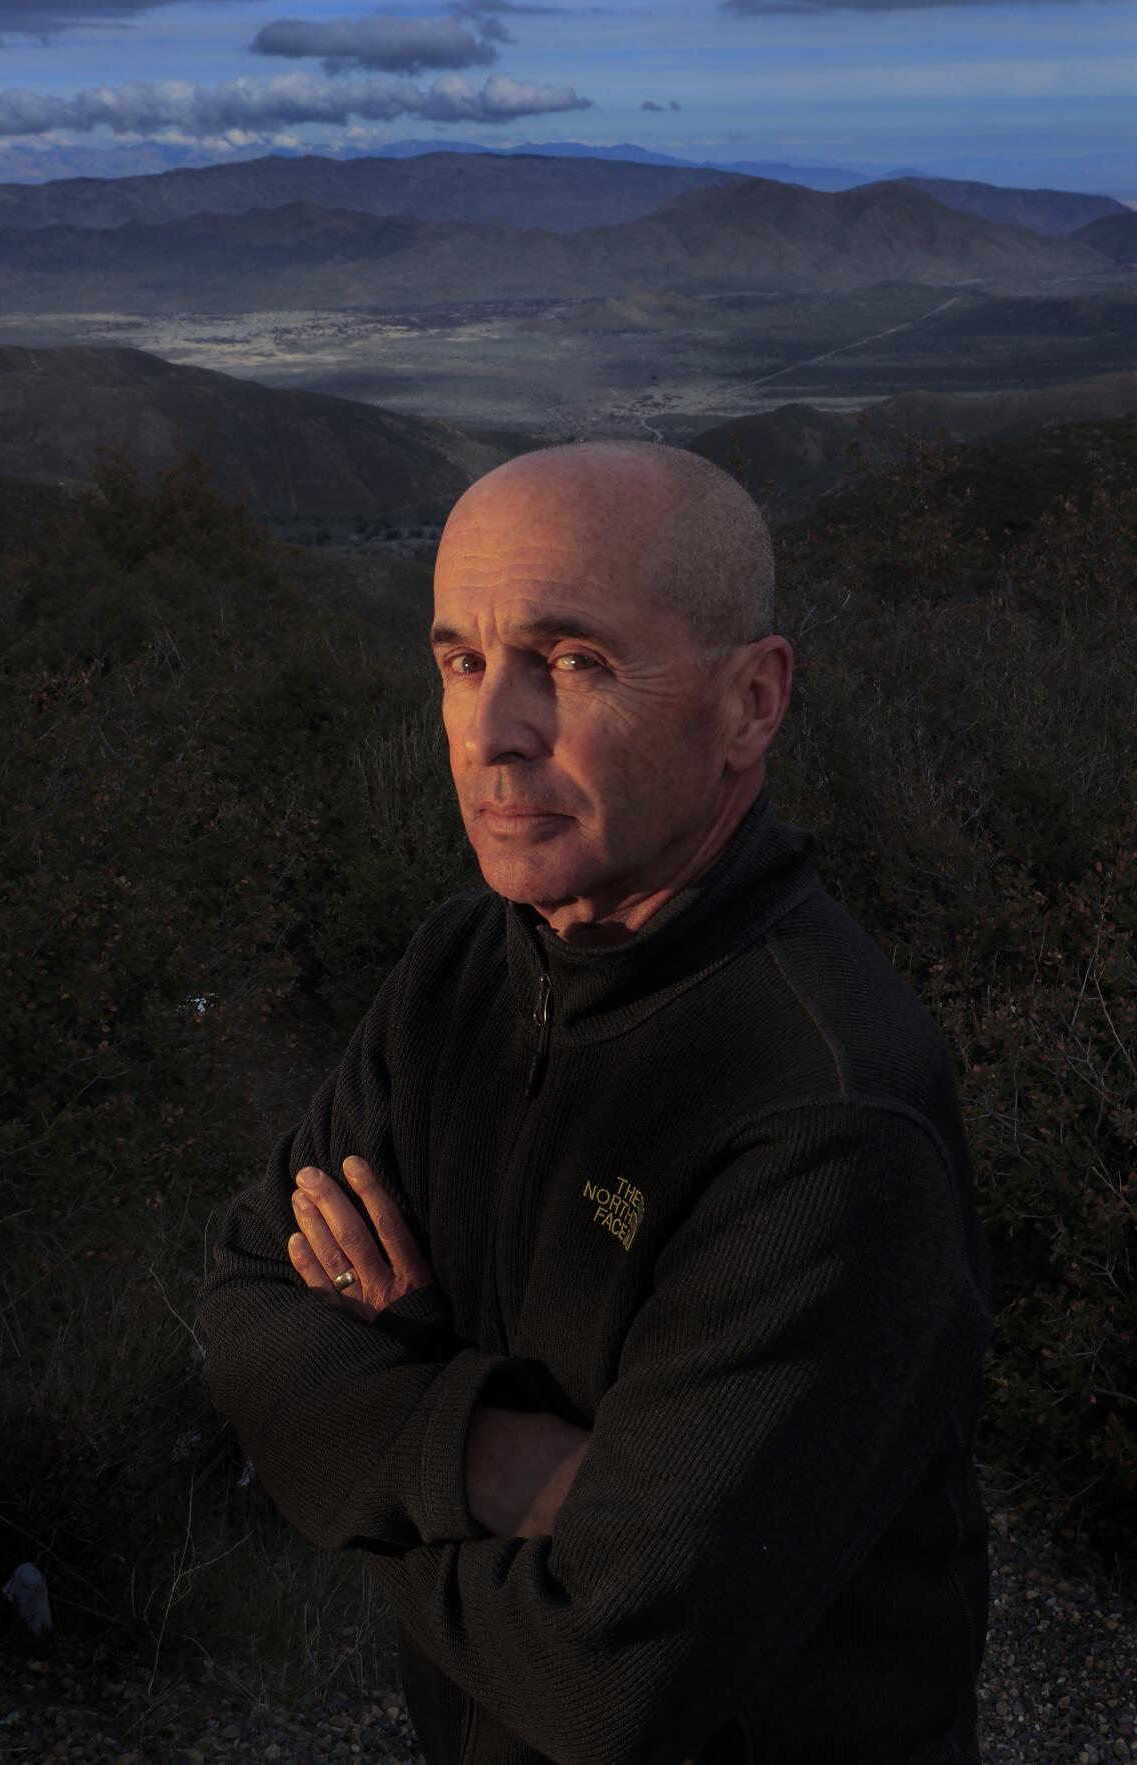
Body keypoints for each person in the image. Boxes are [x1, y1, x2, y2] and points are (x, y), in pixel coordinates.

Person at [197, 439, 995, 1765]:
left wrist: (365, 1449)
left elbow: (606, 1673)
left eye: (574, 662)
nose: (492, 731)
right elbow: (242, 1296)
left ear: (754, 700)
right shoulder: (460, 967)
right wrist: (489, 1456)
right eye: (461, 660)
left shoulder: (825, 1114)